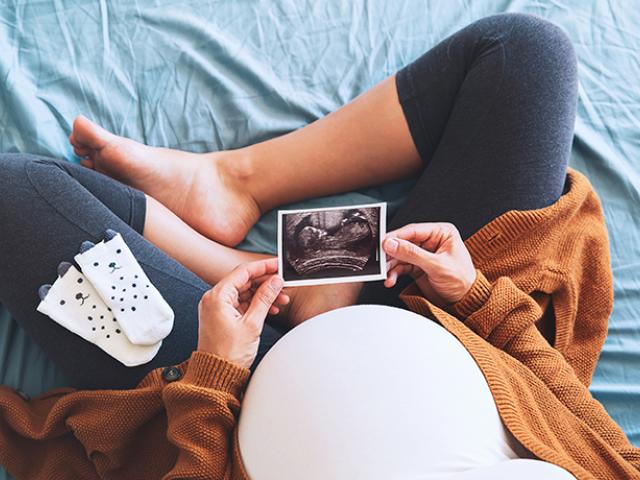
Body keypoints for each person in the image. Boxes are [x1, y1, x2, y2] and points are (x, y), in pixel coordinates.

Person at [0, 12, 638, 479]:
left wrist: (214, 381)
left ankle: (286, 284)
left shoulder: (221, 391)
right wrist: (476, 299)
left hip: (234, 403)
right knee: (524, 56)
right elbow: (587, 435)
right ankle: (238, 186)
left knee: (17, 193)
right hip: (445, 330)